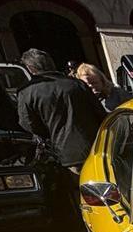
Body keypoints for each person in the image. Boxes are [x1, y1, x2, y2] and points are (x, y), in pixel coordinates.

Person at [17, 48, 106, 218]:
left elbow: (27, 124)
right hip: (95, 144)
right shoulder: (75, 84)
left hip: (63, 151)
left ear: (30, 69)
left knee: (81, 194)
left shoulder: (28, 92)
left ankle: (91, 225)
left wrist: (49, 134)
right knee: (101, 187)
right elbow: (99, 112)